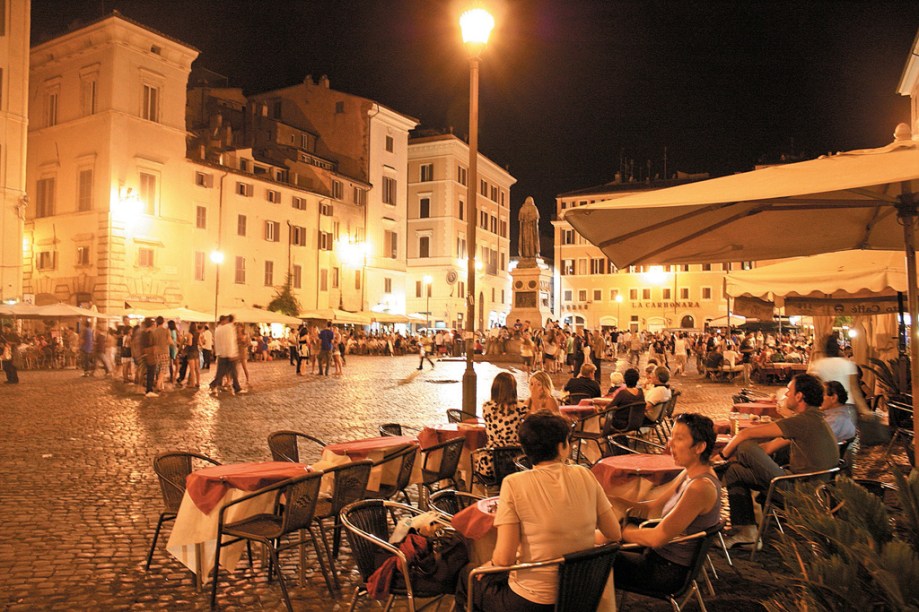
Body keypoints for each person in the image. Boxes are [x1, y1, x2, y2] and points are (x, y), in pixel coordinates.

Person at [456, 411, 621, 610]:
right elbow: (614, 533)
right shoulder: (585, 475)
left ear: (525, 449)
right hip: (580, 596)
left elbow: (504, 558)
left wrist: (488, 565)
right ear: (562, 447)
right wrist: (577, 535)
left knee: (469, 574)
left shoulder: (514, 484)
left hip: (531, 602)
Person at [718, 373, 838, 548]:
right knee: (734, 471)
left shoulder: (804, 421)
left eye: (789, 390)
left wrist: (723, 455)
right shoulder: (815, 419)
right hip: (814, 488)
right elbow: (768, 447)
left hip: (799, 491)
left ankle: (714, 472)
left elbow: (745, 434)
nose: (786, 394)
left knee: (745, 446)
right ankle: (747, 533)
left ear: (799, 396)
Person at [612, 413, 721, 594]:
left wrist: (622, 531)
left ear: (700, 447)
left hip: (666, 570)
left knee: (592, 561)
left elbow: (657, 537)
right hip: (658, 555)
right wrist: (612, 501)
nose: (670, 444)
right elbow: (651, 507)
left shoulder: (701, 487)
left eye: (679, 438)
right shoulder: (688, 473)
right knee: (597, 546)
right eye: (671, 436)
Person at [475, 372, 528, 480]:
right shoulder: (521, 408)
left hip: (491, 461)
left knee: (475, 459)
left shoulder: (487, 407)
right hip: (515, 461)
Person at [809, 335, 870, 416]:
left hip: (826, 406)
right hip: (847, 406)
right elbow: (854, 389)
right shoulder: (848, 364)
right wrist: (864, 409)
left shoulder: (817, 365)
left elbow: (813, 389)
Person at [209, 315, 245, 396]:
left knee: (222, 372)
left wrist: (218, 352)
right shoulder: (229, 328)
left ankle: (214, 384)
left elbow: (217, 342)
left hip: (222, 353)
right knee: (232, 372)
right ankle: (237, 388)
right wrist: (232, 353)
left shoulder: (218, 328)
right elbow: (230, 341)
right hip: (229, 354)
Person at [603, 368, 645, 433]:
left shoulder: (623, 393)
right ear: (637, 379)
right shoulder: (641, 392)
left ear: (625, 379)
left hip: (621, 424)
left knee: (600, 418)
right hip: (637, 422)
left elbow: (609, 407)